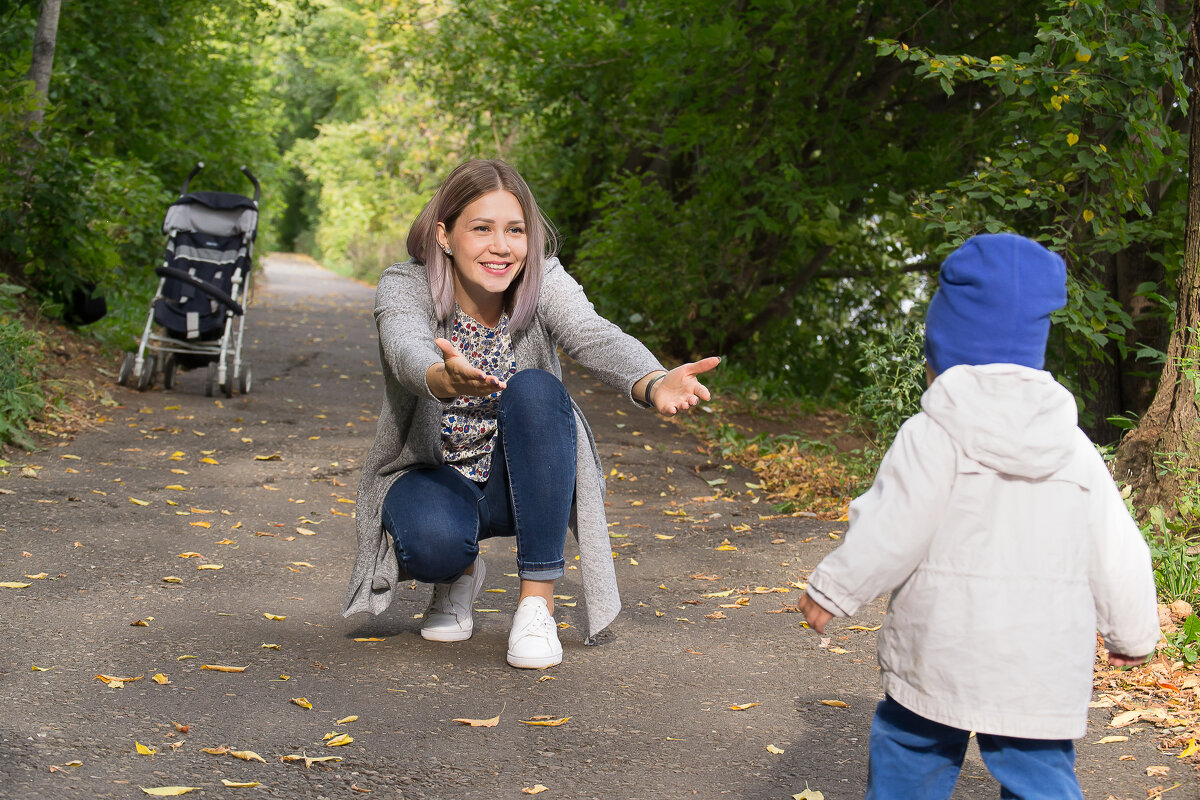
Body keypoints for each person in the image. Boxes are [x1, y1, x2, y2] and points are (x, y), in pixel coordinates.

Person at [795, 233, 1159, 798]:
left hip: (939, 650)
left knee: (911, 752)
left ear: (943, 350)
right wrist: (1132, 633)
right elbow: (1118, 548)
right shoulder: (1075, 447)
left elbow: (893, 525)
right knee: (1039, 775)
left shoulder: (933, 434)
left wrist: (834, 590)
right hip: (1039, 663)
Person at [342, 158, 720, 669]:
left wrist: (652, 381)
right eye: (482, 229)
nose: (502, 246)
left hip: (521, 477)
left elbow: (592, 332)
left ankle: (536, 603)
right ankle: (456, 576)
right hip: (432, 471)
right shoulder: (404, 284)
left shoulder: (542, 281)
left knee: (537, 390)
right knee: (432, 544)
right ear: (445, 235)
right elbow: (405, 344)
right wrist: (440, 376)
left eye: (515, 230)